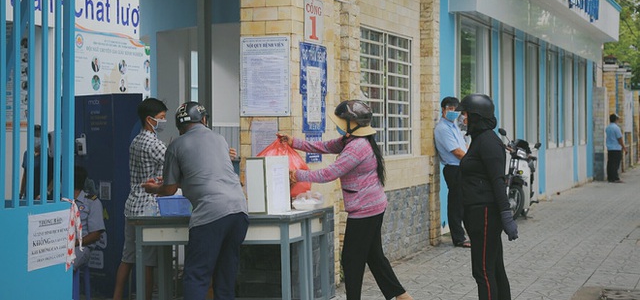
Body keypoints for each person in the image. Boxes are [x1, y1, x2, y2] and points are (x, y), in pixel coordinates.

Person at [280, 100, 413, 300]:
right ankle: (402, 296)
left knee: (351, 259)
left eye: (342, 121)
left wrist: (297, 175)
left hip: (365, 210)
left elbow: (329, 173)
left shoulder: (357, 147)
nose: (338, 125)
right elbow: (324, 146)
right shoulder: (352, 140)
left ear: (352, 123)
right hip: (373, 206)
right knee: (374, 256)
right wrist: (294, 142)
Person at [142, 101, 248, 300]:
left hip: (211, 215)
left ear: (180, 126)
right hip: (239, 211)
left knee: (196, 276)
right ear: (204, 120)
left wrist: (153, 188)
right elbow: (205, 175)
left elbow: (169, 189)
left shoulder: (176, 145)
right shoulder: (220, 139)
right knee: (225, 277)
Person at [457, 93, 517, 300]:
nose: (463, 119)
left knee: (483, 271)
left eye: (465, 114)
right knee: (495, 268)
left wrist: (506, 215)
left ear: (476, 116)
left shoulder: (488, 142)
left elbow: (497, 181)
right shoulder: (480, 139)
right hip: (478, 213)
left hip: (485, 214)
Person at [112, 98, 168, 300]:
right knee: (148, 262)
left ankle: (117, 296)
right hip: (149, 208)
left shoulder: (135, 140)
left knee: (127, 257)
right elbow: (175, 162)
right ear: (149, 119)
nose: (164, 121)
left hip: (132, 206)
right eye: (161, 118)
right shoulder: (154, 144)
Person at [434, 96, 470, 248]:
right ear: (443, 109)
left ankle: (462, 234)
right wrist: (473, 161)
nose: (454, 112)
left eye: (456, 109)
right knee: (456, 204)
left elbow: (463, 147)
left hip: (461, 167)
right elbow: (457, 152)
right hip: (453, 168)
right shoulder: (442, 128)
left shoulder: (453, 126)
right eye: (450, 108)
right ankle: (458, 238)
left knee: (462, 203)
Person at [73, 165, 106, 270]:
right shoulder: (62, 201)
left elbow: (96, 234)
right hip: (61, 245)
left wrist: (75, 243)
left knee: (65, 265)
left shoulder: (92, 202)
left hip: (81, 246)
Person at [605, 113, 626, 183]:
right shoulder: (616, 128)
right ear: (616, 120)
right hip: (616, 148)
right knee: (616, 163)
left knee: (610, 163)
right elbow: (619, 138)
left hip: (610, 148)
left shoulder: (607, 128)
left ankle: (610, 177)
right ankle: (615, 178)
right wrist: (624, 147)